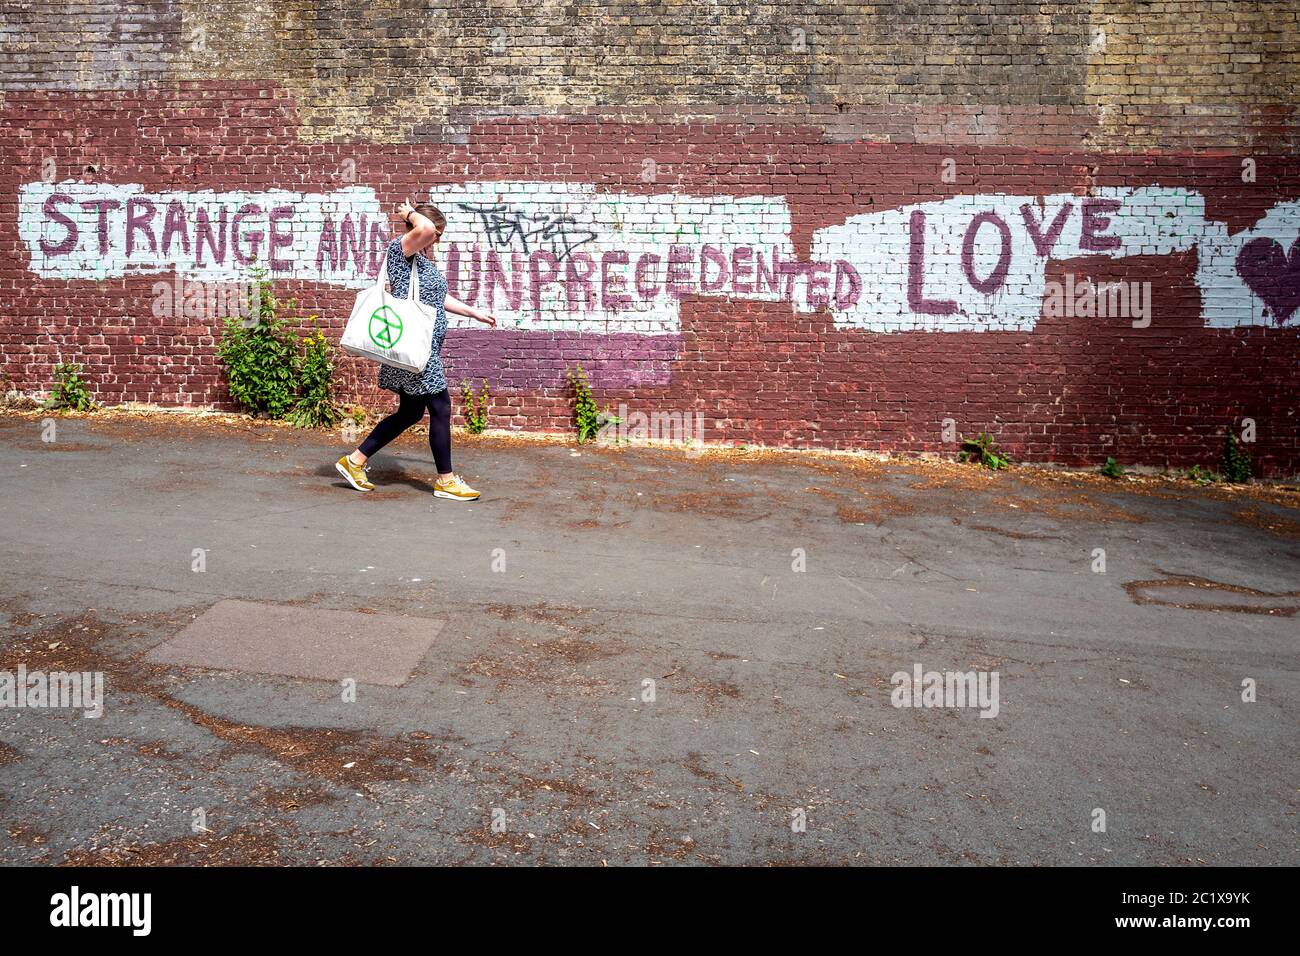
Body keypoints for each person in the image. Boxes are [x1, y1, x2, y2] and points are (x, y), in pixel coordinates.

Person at [335, 199, 500, 500]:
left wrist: (473, 312)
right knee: (441, 407)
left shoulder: (421, 262)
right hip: (416, 351)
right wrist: (409, 214)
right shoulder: (401, 251)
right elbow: (423, 229)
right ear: (421, 228)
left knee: (410, 413)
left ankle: (355, 461)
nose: (437, 239)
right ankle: (446, 481)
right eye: (437, 233)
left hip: (420, 350)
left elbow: (438, 298)